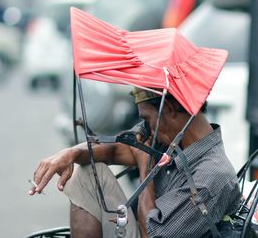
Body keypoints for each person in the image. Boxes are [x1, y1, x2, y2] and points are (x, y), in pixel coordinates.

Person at [29, 88, 241, 238]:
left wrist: (145, 167)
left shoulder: (211, 177)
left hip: (151, 234)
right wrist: (71, 154)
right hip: (142, 228)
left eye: (147, 119)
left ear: (167, 109)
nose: (146, 127)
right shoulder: (169, 134)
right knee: (86, 173)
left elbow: (153, 236)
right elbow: (114, 149)